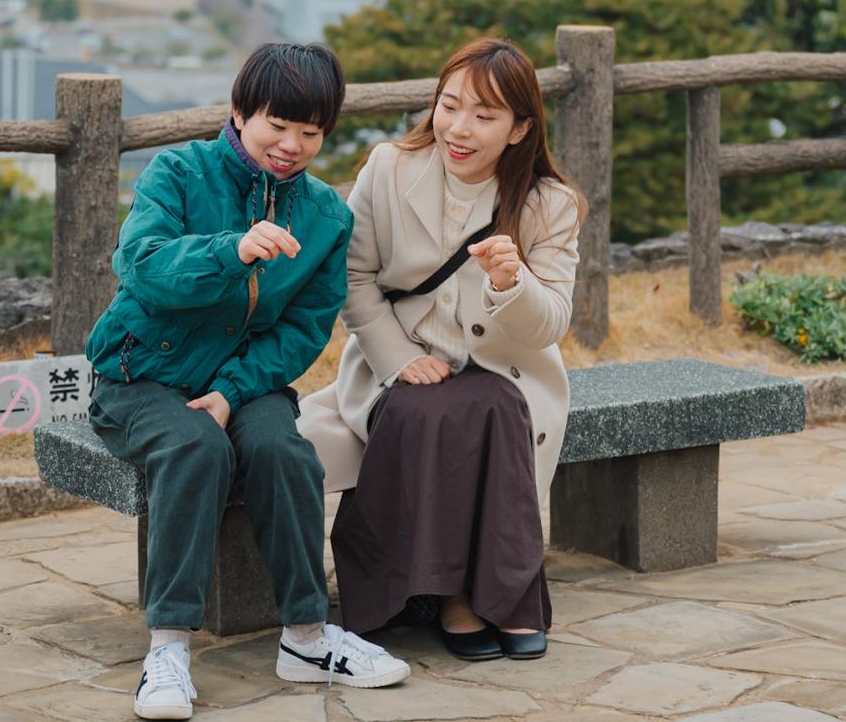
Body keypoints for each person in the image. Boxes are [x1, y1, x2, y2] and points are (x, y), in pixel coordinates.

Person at [85, 42, 410, 721]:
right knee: (197, 445)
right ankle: (168, 645)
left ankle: (305, 635)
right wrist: (229, 250)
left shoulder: (325, 216)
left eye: (310, 132)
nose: (290, 145)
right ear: (239, 110)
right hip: (139, 374)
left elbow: (301, 330)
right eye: (276, 125)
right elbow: (139, 265)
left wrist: (234, 389)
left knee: (285, 450)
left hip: (244, 380)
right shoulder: (178, 170)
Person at [298, 37, 585, 662]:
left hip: (504, 368)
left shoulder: (549, 204)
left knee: (492, 408)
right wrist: (398, 358)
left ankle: (495, 600)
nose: (458, 128)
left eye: (484, 116)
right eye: (448, 105)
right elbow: (353, 278)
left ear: (518, 129)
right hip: (402, 358)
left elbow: (550, 325)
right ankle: (437, 595)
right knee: (423, 410)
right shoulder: (388, 168)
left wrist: (514, 283)